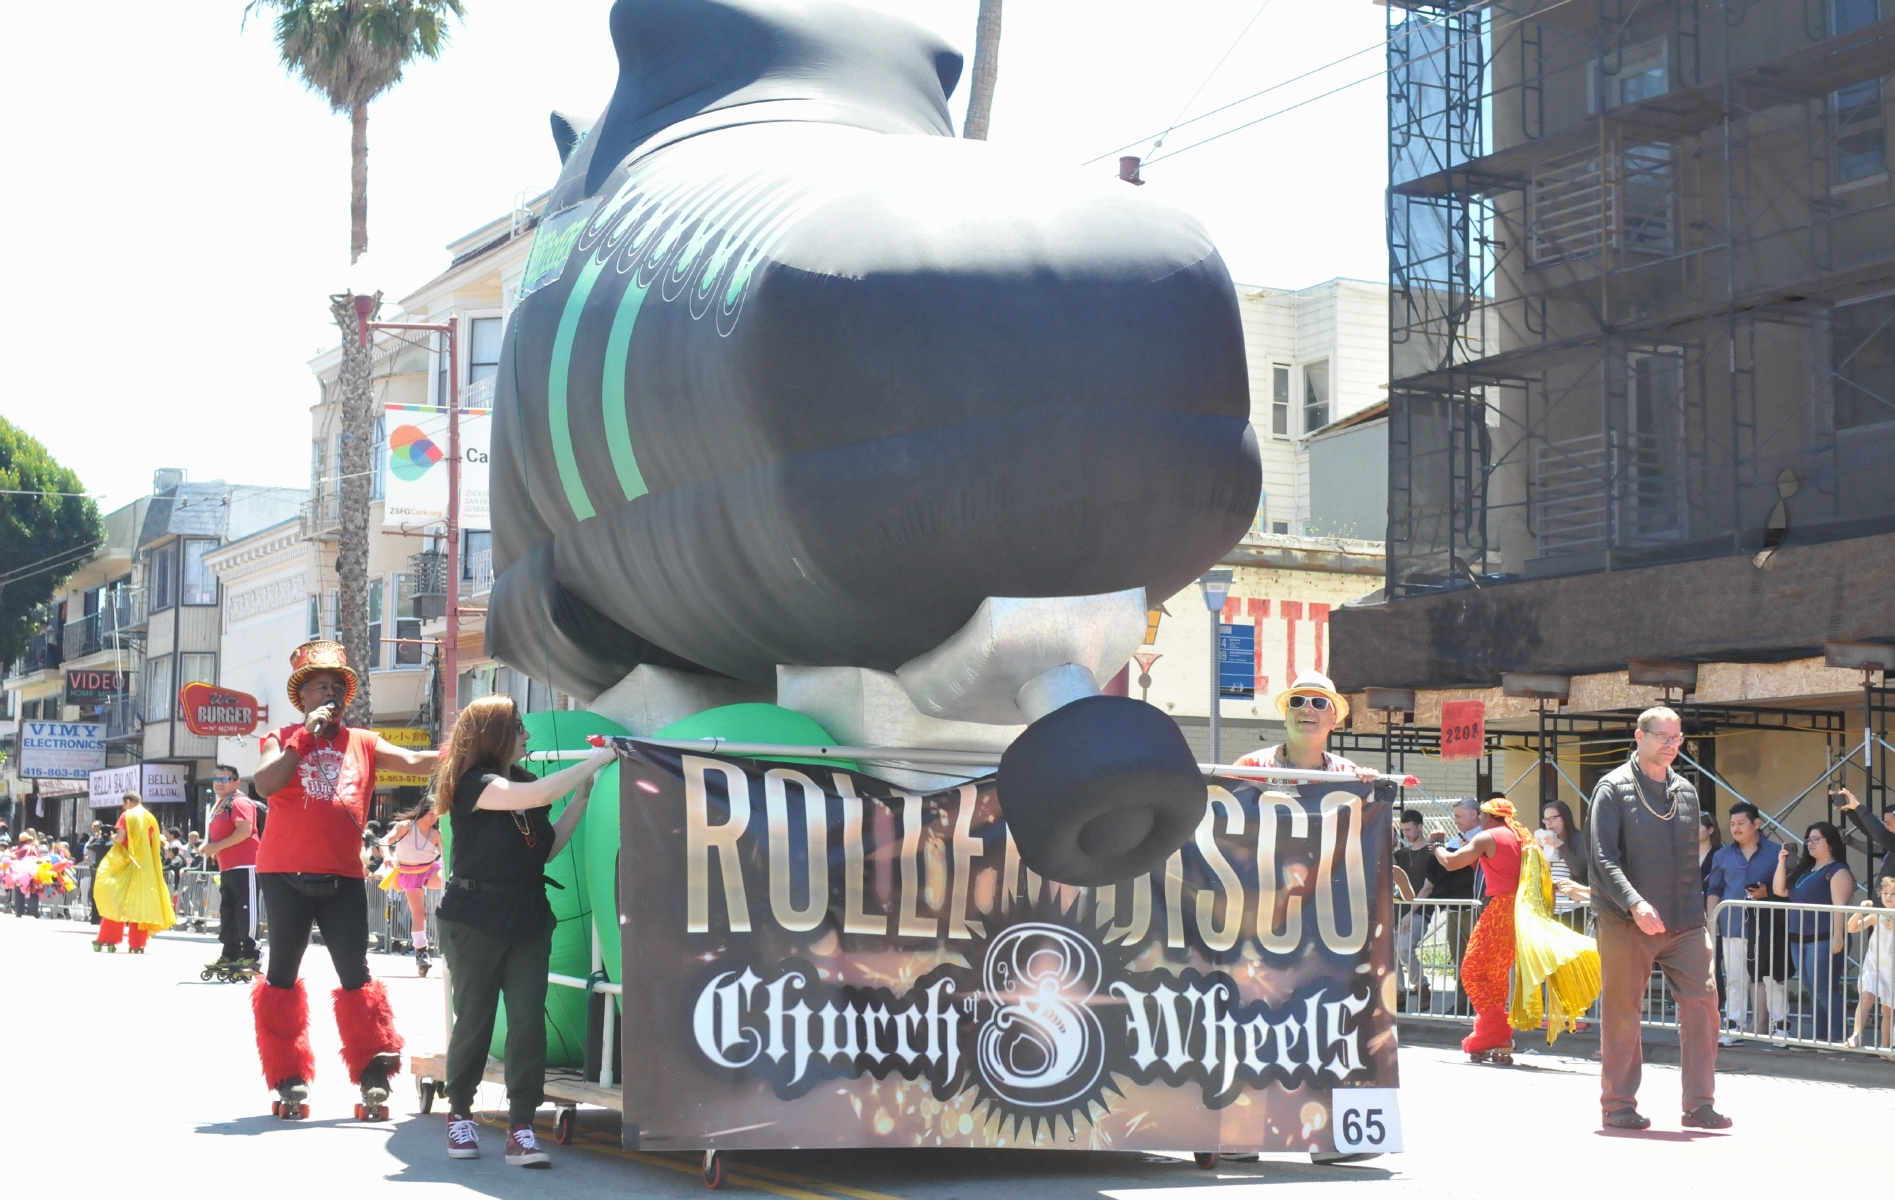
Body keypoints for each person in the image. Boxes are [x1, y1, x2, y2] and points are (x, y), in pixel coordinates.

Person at [249, 640, 439, 1120]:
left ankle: (373, 1075)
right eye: (319, 687)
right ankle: (288, 1076)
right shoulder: (281, 736)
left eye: (336, 686)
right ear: (304, 697)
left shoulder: (364, 742)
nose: (329, 693)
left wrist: (466, 751)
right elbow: (266, 784)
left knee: (356, 975)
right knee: (282, 975)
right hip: (284, 875)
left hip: (343, 876)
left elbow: (416, 764)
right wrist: (303, 739)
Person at [436, 695, 614, 1167]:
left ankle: (521, 1127)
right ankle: (459, 1115)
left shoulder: (527, 782)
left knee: (528, 1023)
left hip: (527, 913)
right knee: (474, 1020)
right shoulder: (471, 783)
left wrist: (583, 794)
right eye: (518, 727)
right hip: (474, 915)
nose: (527, 735)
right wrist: (597, 758)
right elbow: (533, 800)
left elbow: (548, 847)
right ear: (494, 734)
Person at [1588, 706, 1726, 1131]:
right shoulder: (1611, 789)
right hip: (1626, 921)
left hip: (1684, 921)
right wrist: (1634, 903)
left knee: (1703, 1005)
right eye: (1662, 737)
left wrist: (1696, 919)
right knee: (1623, 1012)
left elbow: (1689, 860)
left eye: (1676, 738)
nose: (1671, 745)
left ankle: (1700, 1104)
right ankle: (1618, 1105)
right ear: (1640, 735)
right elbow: (1602, 857)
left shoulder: (1685, 790)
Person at [1703, 803, 1783, 1045]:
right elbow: (1714, 889)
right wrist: (1712, 919)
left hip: (1767, 925)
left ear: (1756, 824)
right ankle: (1733, 1026)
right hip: (1732, 923)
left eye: (1741, 823)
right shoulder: (1722, 855)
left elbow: (1785, 889)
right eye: (1732, 824)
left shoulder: (1776, 852)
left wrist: (1767, 892)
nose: (1735, 828)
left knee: (1772, 977)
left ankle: (1779, 1026)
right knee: (1735, 978)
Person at [1771, 820, 1854, 1043]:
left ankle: (1836, 1038)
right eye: (1808, 839)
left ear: (1830, 843)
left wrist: (1838, 937)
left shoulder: (1837, 870)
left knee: (1825, 990)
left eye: (1817, 839)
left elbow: (1840, 907)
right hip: (1799, 938)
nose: (1811, 843)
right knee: (1812, 989)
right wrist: (1782, 862)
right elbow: (1780, 890)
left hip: (1825, 937)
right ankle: (1819, 1037)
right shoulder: (1805, 870)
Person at [1233, 671, 1380, 783]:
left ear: (1334, 721)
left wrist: (1368, 786)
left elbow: (1372, 821)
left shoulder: (1348, 776)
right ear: (1286, 716)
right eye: (1297, 701)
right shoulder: (1249, 769)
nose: (1307, 708)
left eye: (1319, 703)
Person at [92, 792, 176, 952]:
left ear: (128, 802)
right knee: (140, 904)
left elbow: (120, 837)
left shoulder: (127, 815)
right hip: (145, 867)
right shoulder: (149, 817)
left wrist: (110, 835)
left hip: (126, 863)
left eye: (124, 804)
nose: (124, 807)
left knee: (116, 900)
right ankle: (137, 943)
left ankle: (108, 937)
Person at [200, 764, 262, 974]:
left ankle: (252, 954)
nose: (219, 782)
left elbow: (244, 831)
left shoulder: (240, 801)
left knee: (246, 910)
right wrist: (209, 847)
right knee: (229, 911)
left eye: (225, 779)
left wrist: (216, 847)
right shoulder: (221, 803)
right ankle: (230, 953)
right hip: (228, 866)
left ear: (236, 782)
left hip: (247, 864)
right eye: (216, 778)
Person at [381, 800, 445, 974]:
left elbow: (446, 857)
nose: (434, 817)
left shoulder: (436, 834)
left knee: (448, 883)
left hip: (430, 869)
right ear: (422, 811)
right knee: (419, 914)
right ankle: (421, 952)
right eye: (431, 813)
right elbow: (385, 840)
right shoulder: (406, 826)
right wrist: (386, 856)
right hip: (408, 873)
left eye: (437, 814)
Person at [1393, 809, 1442, 1010]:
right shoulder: (1402, 854)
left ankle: (1421, 986)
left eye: (1409, 829)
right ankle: (1398, 994)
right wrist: (1388, 839)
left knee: (1404, 948)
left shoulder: (1432, 853)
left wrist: (1410, 912)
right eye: (1403, 830)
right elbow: (1382, 866)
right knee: (1392, 952)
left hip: (1420, 911)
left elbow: (1427, 888)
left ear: (1420, 827)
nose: (1406, 834)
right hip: (1398, 911)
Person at [1845, 873, 1895, 1057]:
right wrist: (1860, 910)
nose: (1889, 897)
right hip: (1874, 965)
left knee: (1887, 1009)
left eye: (1894, 893)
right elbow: (1852, 928)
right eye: (1886, 893)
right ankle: (1856, 1035)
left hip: (1891, 969)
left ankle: (1885, 1047)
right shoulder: (1877, 915)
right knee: (1866, 997)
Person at [1537, 800, 1590, 925]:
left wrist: (1561, 845)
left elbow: (1578, 870)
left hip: (1572, 908)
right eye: (1546, 820)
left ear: (1565, 818)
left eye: (1553, 818)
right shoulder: (1544, 842)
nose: (1549, 823)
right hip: (1549, 907)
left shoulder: (1579, 839)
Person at [1836, 788, 1894, 878]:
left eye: (1888, 823)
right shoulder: (1890, 845)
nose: (1885, 827)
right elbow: (1870, 831)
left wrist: (1859, 808)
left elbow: (1880, 834)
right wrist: (1847, 810)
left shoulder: (1889, 840)